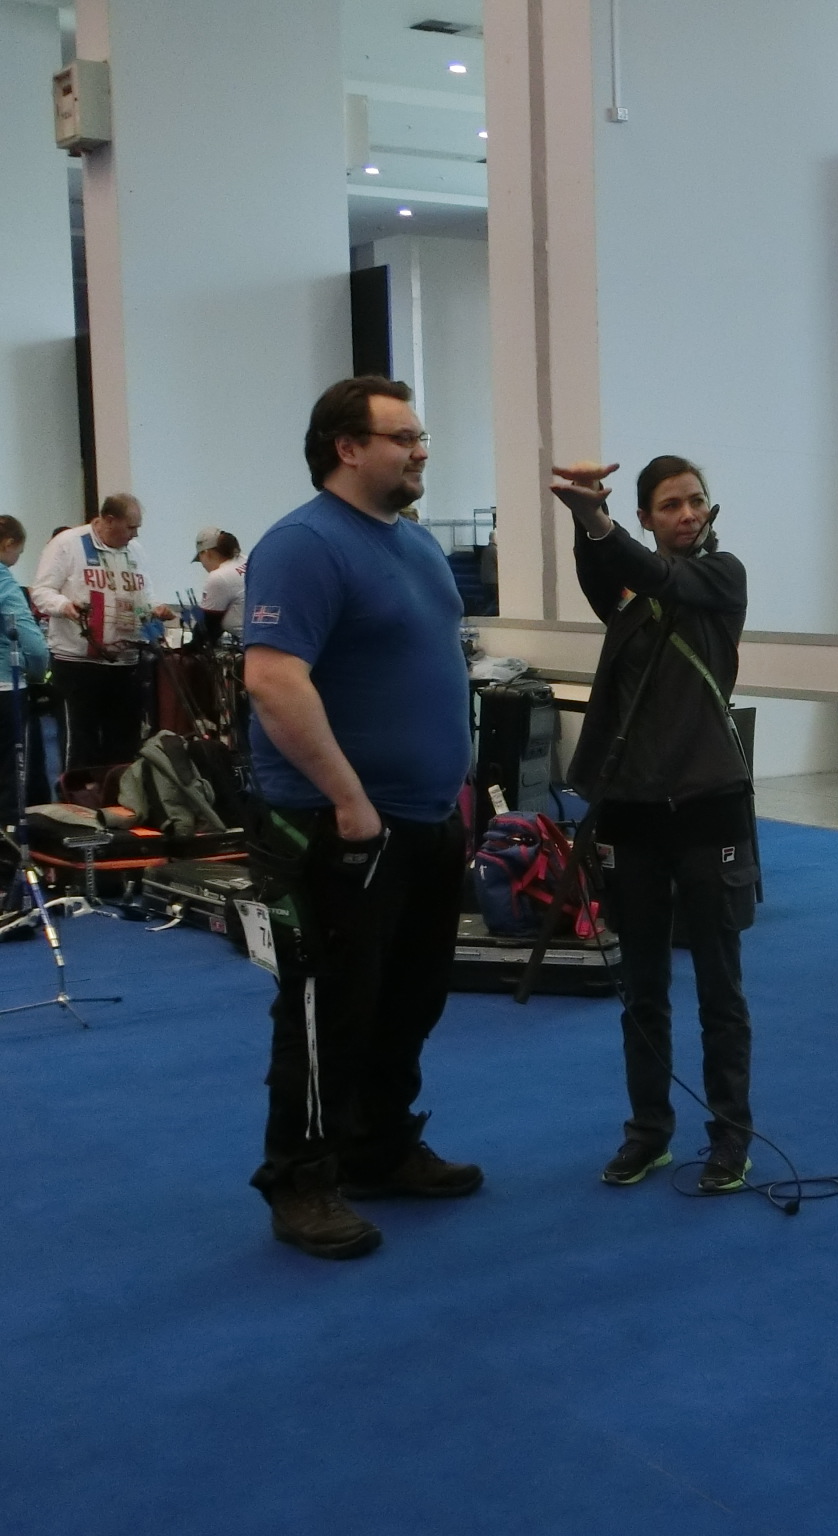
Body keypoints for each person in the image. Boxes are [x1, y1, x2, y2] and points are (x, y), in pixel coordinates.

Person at [241, 376, 479, 1260]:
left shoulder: (412, 543)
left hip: (424, 821)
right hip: (337, 825)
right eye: (402, 437)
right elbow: (273, 680)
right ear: (347, 448)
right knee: (327, 1009)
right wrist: (349, 800)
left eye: (420, 436)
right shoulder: (303, 545)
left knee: (409, 1000)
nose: (421, 450)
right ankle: (301, 1181)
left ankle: (378, 1149)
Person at [547, 455, 756, 1193]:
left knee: (720, 988)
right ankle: (648, 1133)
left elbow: (660, 574)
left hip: (708, 804)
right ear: (645, 517)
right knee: (642, 987)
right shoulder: (627, 588)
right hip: (632, 809)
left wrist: (599, 523)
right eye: (670, 505)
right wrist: (586, 522)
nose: (687, 513)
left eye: (696, 500)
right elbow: (607, 570)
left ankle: (730, 1136)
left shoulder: (721, 575)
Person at [30, 493, 174, 770]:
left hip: (126, 662)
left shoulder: (135, 550)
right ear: (109, 520)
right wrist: (64, 606)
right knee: (80, 745)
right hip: (78, 663)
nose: (135, 534)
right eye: (131, 527)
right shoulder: (67, 544)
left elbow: (146, 593)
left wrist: (156, 608)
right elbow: (41, 591)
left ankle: (119, 793)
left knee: (124, 745)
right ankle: (77, 794)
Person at [0, 517, 52, 820]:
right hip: (6, 688)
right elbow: (34, 645)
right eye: (18, 553)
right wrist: (36, 674)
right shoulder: (4, 582)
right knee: (10, 772)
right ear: (8, 544)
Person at [193, 526, 246, 642]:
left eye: (200, 559)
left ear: (206, 553)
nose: (202, 565)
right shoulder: (244, 559)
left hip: (250, 643)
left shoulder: (218, 577)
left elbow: (208, 627)